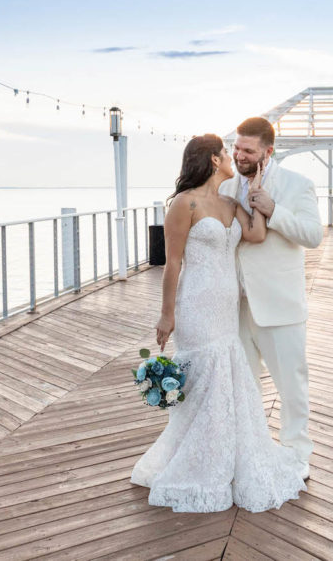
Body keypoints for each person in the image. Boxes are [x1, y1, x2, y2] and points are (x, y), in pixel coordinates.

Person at [130, 134, 305, 513]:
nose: (232, 157)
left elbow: (257, 235)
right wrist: (167, 314)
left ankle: (227, 456)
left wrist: (256, 196)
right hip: (196, 303)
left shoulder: (230, 202)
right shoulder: (184, 202)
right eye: (227, 152)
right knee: (204, 380)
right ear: (213, 160)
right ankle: (200, 462)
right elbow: (172, 263)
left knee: (226, 378)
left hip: (226, 306)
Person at [219, 117, 323, 481]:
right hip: (235, 306)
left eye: (248, 150)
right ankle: (252, 450)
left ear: (268, 151)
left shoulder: (297, 185)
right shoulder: (226, 186)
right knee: (244, 388)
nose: (239, 155)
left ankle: (296, 453)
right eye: (236, 148)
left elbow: (313, 236)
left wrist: (273, 209)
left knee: (291, 387)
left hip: (279, 306)